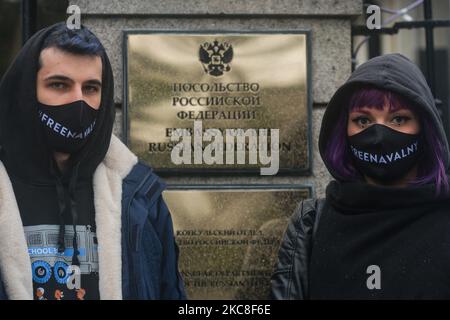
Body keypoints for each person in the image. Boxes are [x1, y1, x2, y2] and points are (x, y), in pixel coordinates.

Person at [0, 22, 186, 300]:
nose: (78, 102)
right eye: (59, 84)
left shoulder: (138, 196)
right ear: (26, 91)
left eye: (90, 88)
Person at [271, 53, 450, 299]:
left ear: (425, 128)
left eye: (399, 119)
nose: (378, 135)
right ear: (343, 130)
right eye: (363, 120)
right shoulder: (310, 224)